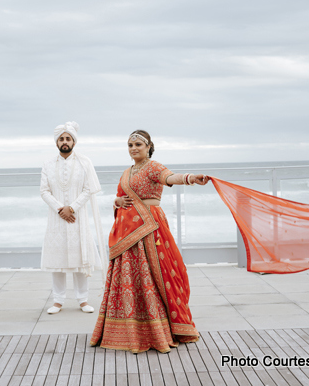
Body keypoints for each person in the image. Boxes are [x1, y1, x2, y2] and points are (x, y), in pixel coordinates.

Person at [90, 129, 209, 353]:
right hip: (127, 231)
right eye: (130, 145)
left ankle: (158, 327)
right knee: (128, 276)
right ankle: (127, 328)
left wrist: (190, 178)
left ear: (148, 147)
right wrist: (116, 200)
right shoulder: (126, 173)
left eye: (138, 145)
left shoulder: (153, 167)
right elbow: (119, 197)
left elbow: (169, 177)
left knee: (154, 274)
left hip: (148, 228)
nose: (133, 148)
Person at [40, 121, 108, 314]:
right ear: (56, 143)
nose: (64, 142)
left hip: (78, 217)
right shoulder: (47, 164)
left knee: (80, 259)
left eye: (68, 138)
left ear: (74, 142)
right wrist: (61, 209)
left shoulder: (84, 163)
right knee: (57, 261)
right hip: (57, 218)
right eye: (61, 139)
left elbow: (89, 189)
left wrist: (72, 208)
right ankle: (58, 300)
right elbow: (44, 191)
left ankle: (83, 300)